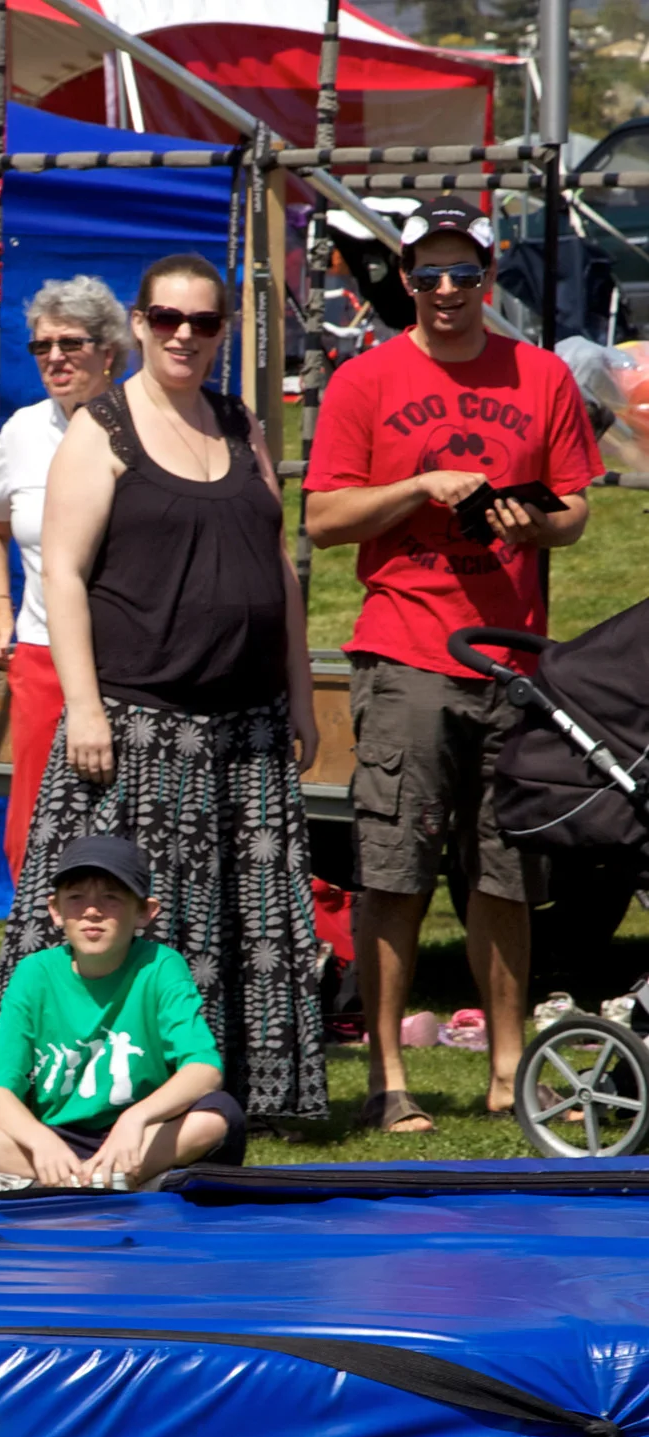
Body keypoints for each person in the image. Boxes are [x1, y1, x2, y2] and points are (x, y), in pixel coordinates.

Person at [0, 253, 326, 1125]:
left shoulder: (240, 423)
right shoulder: (100, 429)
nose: (184, 335)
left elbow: (277, 566)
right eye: (168, 319)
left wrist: (298, 690)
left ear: (222, 333)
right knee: (124, 912)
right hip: (138, 723)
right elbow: (63, 574)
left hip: (248, 725)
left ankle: (248, 1091)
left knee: (243, 916)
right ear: (138, 325)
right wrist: (85, 707)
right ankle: (90, 1095)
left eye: (203, 322)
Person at [303, 197, 601, 1134]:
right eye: (427, 273)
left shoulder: (541, 374)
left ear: (487, 277)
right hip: (406, 654)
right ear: (404, 280)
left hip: (513, 663)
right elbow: (322, 517)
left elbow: (575, 510)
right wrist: (419, 487)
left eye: (463, 273)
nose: (445, 290)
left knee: (506, 874)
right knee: (395, 870)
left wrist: (534, 520)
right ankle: (387, 1077)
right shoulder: (365, 379)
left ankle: (510, 1071)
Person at [0, 836, 243, 1194]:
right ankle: (112, 1183)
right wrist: (39, 1140)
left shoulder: (161, 965)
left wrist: (135, 1119)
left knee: (215, 1118)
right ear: (55, 910)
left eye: (111, 897)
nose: (92, 911)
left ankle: (32, 1185)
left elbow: (204, 1069)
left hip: (139, 1138)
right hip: (52, 1138)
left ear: (145, 912)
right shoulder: (35, 972)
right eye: (76, 897)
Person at [0, 275, 132, 876]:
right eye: (42, 346)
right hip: (43, 659)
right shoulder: (23, 431)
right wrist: (0, 607)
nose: (55, 357)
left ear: (108, 351)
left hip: (134, 662)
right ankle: (37, 936)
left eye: (71, 343)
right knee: (37, 827)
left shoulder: (145, 426)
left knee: (130, 824)